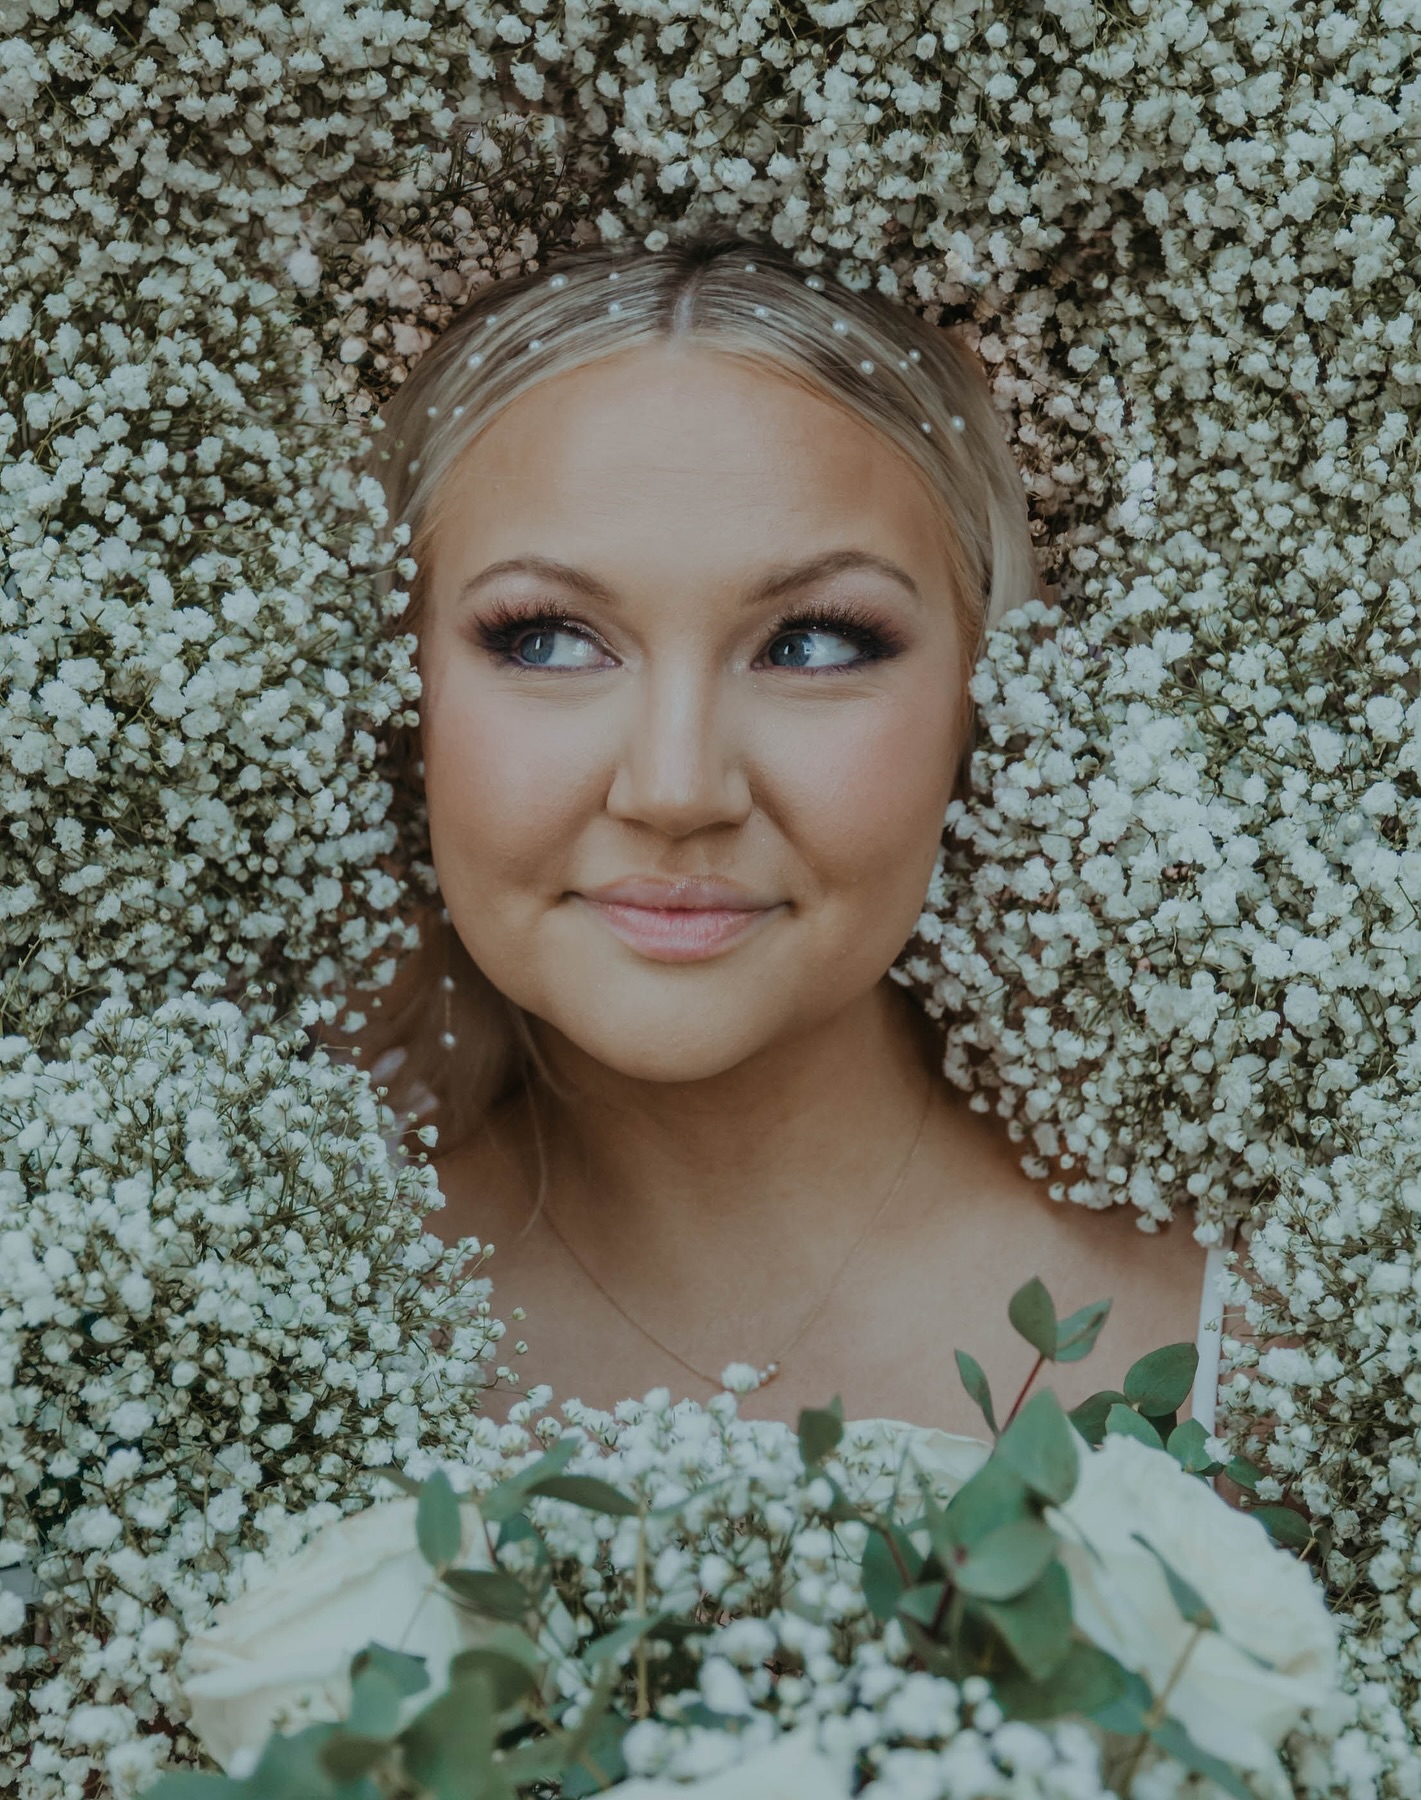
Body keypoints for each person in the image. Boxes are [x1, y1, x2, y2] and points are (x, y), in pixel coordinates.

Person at [357, 228, 1217, 1433]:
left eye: (814, 644)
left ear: (988, 693)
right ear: (404, 694)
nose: (674, 786)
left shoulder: (1255, 1339)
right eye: (547, 638)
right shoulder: (245, 1342)